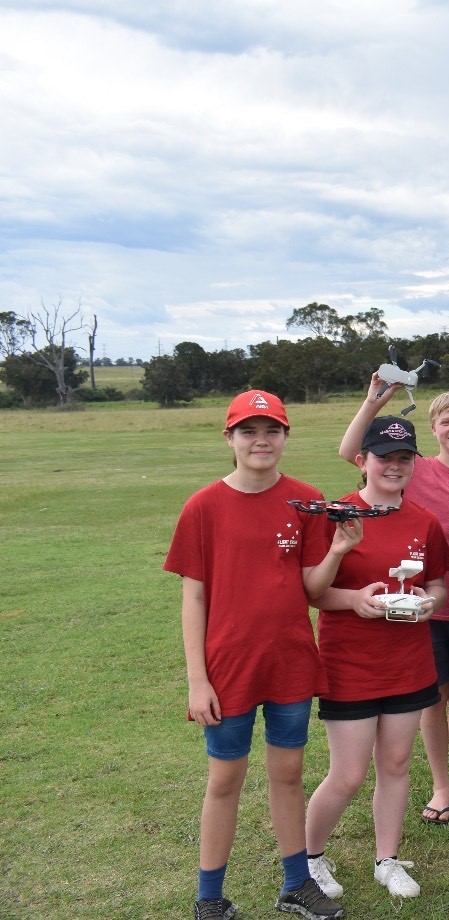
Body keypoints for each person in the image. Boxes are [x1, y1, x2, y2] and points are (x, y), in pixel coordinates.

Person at [164, 390, 344, 920]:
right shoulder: (203, 506)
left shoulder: (305, 501)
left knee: (288, 774)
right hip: (228, 668)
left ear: (286, 436)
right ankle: (210, 898)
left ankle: (295, 884)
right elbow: (194, 598)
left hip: (288, 661)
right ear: (230, 438)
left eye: (272, 431)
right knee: (225, 780)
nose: (261, 441)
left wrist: (336, 550)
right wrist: (198, 680)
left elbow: (312, 589)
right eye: (249, 431)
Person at [340, 378, 449, 825]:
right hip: (418, 608)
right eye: (446, 421)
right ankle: (438, 784)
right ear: (433, 429)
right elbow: (350, 450)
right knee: (432, 699)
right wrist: (374, 402)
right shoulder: (415, 468)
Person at [303, 416, 449, 902]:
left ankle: (386, 859)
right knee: (347, 774)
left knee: (396, 761)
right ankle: (310, 858)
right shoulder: (335, 514)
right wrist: (355, 601)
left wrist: (430, 603)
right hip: (350, 662)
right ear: (362, 460)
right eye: (383, 457)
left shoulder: (423, 520)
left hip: (408, 661)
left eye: (403, 458)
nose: (393, 466)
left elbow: (436, 584)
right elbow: (313, 592)